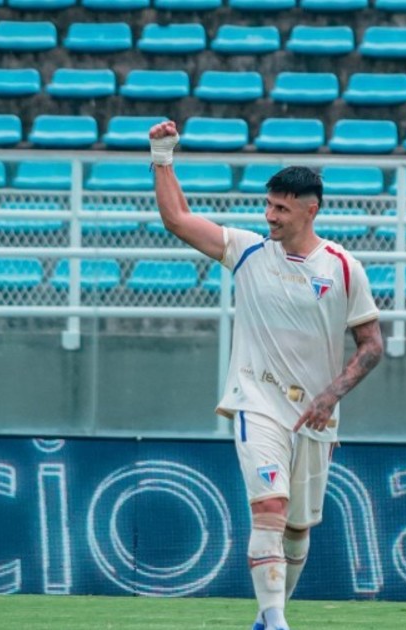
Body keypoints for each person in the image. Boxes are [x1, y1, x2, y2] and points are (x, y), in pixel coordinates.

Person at [150, 120, 383, 630]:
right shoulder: (248, 250)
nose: (270, 216)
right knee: (270, 508)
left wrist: (330, 396)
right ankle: (277, 621)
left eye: (281, 208)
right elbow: (177, 219)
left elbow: (372, 346)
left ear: (310, 210)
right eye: (268, 205)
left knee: (297, 528)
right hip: (257, 402)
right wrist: (162, 156)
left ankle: (267, 614)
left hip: (314, 417)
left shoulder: (344, 268)